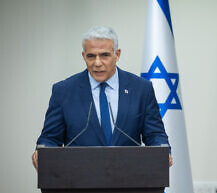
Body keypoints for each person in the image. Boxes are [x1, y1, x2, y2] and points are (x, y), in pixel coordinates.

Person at [32, 26, 172, 169]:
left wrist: (162, 150)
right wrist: (42, 150)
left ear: (117, 55)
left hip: (129, 179)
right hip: (78, 180)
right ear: (83, 56)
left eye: (104, 55)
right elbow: (50, 138)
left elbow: (155, 134)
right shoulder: (63, 91)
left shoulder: (141, 89)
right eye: (91, 56)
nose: (97, 63)